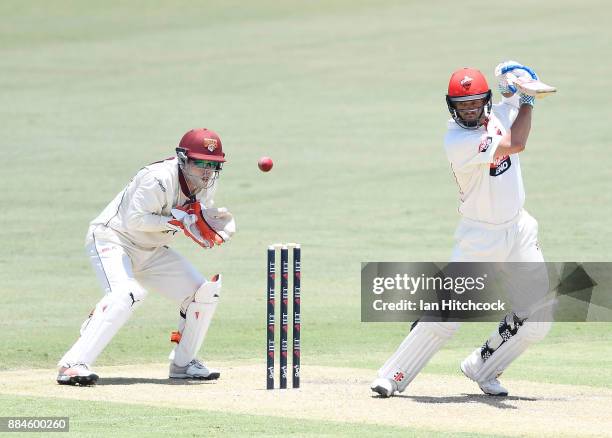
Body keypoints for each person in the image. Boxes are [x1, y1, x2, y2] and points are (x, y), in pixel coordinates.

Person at [370, 62, 552, 397]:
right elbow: (518, 143)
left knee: (538, 319)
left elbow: (509, 98)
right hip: (480, 237)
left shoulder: (497, 112)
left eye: (473, 104)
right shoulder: (458, 141)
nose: (468, 111)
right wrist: (528, 101)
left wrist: (515, 87)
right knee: (447, 317)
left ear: (485, 101)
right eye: (461, 106)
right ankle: (392, 375)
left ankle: (482, 368)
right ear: (451, 108)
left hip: (519, 228)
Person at [57, 128, 236, 386]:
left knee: (203, 293)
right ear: (184, 159)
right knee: (127, 294)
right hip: (114, 239)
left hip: (152, 250)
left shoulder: (207, 182)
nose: (207, 171)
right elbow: (135, 220)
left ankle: (184, 363)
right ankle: (71, 365)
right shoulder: (158, 179)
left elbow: (194, 216)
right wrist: (181, 221)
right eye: (201, 163)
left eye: (213, 165)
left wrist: (204, 228)